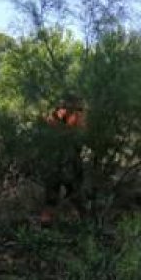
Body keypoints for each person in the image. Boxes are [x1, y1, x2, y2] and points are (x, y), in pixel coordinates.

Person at [39, 95, 86, 225]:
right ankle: (47, 225)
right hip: (58, 163)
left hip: (69, 162)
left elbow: (80, 136)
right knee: (52, 196)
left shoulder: (75, 118)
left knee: (75, 194)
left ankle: (80, 223)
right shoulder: (55, 118)